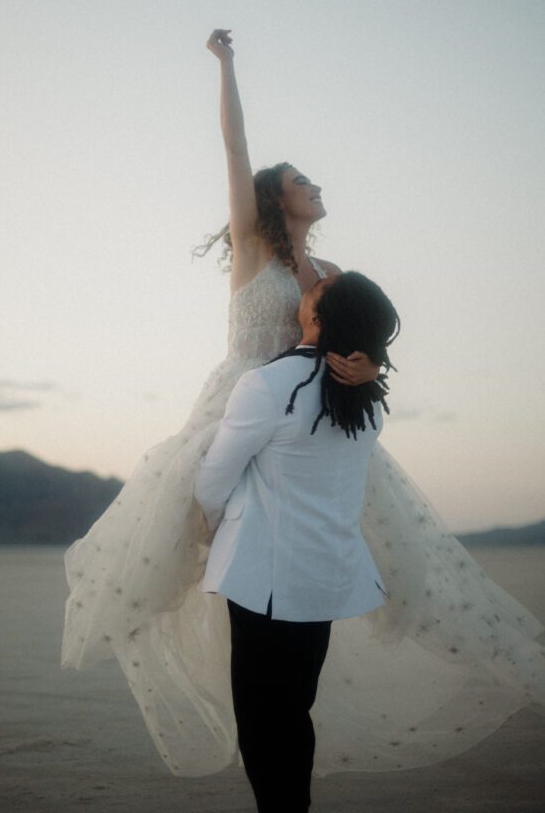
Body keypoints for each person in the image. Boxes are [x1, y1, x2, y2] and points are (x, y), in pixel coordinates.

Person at [62, 30, 544, 780]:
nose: (315, 185)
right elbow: (232, 148)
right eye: (301, 179)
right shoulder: (258, 249)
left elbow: (360, 334)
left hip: (309, 404)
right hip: (242, 400)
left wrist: (363, 370)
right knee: (204, 524)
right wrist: (225, 67)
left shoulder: (331, 270)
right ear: (273, 198)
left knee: (325, 539)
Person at [195, 271, 400, 812]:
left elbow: (214, 477)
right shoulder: (368, 401)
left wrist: (213, 528)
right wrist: (372, 367)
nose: (308, 289)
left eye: (315, 293)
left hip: (265, 577)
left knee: (262, 722)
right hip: (326, 575)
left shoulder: (269, 385)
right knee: (293, 712)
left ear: (318, 318)